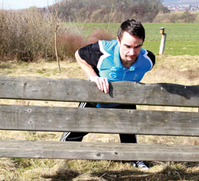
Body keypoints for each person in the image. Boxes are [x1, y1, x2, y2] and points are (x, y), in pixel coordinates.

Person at [61, 19, 155, 169]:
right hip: (96, 96)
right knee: (78, 127)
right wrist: (94, 78)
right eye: (127, 46)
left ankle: (133, 158)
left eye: (137, 47)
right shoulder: (103, 50)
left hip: (124, 99)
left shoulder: (148, 60)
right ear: (118, 40)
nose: (132, 52)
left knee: (129, 128)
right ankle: (62, 153)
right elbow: (79, 55)